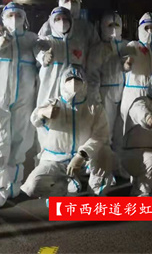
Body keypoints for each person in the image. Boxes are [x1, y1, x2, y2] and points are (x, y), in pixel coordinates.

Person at [0, 2, 41, 209]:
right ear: (3, 18)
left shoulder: (31, 39)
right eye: (10, 15)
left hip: (24, 97)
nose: (14, 18)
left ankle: (14, 182)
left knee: (21, 138)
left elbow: (41, 56)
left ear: (25, 18)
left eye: (18, 15)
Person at [22, 66, 111, 199]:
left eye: (77, 79)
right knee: (32, 187)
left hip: (84, 160)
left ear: (84, 83)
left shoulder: (94, 107)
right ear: (62, 82)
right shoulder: (54, 103)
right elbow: (35, 119)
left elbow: (100, 135)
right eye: (69, 79)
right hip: (56, 159)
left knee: (105, 153)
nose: (73, 83)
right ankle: (61, 188)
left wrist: (82, 155)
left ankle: (96, 193)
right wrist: (43, 112)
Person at [86, 11, 129, 175]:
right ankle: (101, 168)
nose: (113, 28)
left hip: (124, 92)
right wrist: (94, 97)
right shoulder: (97, 49)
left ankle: (118, 165)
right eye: (109, 25)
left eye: (116, 25)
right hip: (105, 92)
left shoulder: (126, 45)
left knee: (121, 131)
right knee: (105, 131)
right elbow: (92, 75)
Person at [35, 7, 87, 108]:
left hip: (71, 89)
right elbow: (37, 49)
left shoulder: (78, 43)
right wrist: (43, 57)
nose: (62, 22)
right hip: (51, 88)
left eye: (65, 19)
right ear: (52, 22)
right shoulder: (48, 41)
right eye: (57, 19)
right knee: (48, 113)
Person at [37, 0, 100, 67]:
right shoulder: (49, 25)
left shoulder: (87, 27)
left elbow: (97, 49)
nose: (70, 4)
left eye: (74, 1)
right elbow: (39, 47)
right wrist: (43, 57)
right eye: (66, 0)